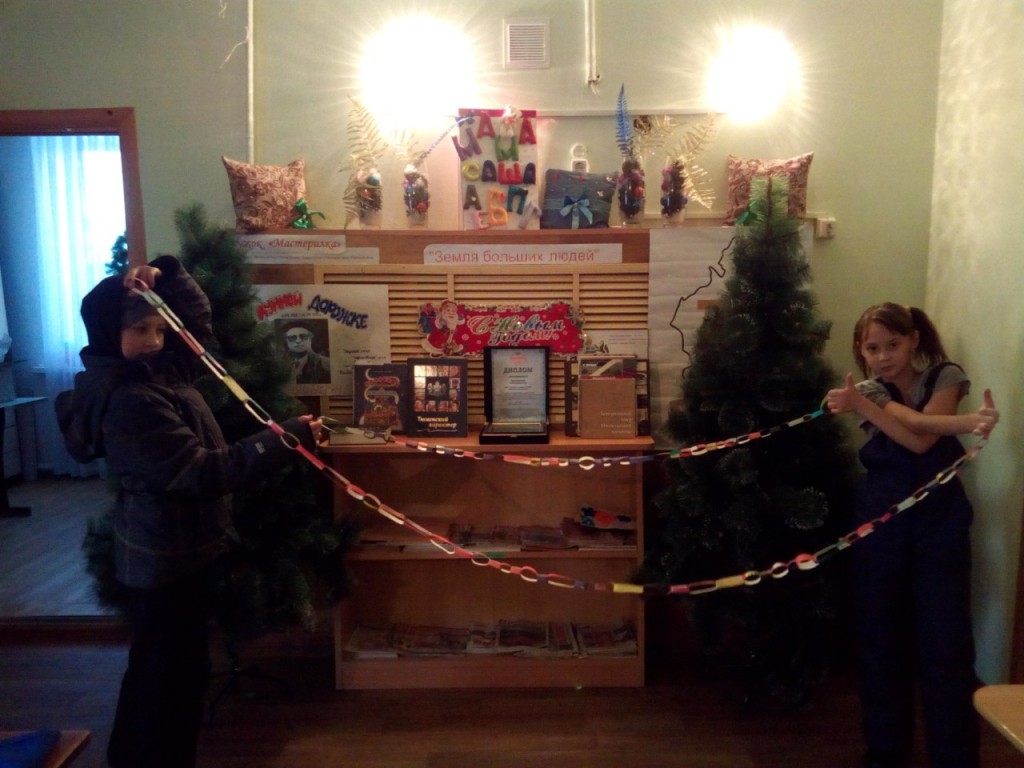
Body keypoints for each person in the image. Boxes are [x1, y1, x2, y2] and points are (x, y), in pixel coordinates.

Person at [57, 255, 323, 768]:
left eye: (160, 329)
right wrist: (283, 440)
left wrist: (168, 275)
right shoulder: (131, 400)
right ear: (108, 332)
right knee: (168, 682)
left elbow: (195, 328)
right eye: (140, 329)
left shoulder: (159, 373)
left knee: (162, 672)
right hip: (163, 561)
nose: (155, 341)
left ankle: (134, 757)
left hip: (178, 554)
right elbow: (199, 473)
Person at [825, 302, 998, 768]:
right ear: (861, 351)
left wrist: (966, 421)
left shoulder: (946, 376)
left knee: (946, 641)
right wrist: (968, 424)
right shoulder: (866, 390)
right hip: (879, 520)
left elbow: (922, 437)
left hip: (940, 522)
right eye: (872, 349)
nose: (883, 357)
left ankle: (955, 757)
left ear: (914, 340)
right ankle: (885, 750)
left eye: (893, 344)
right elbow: (911, 435)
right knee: (880, 637)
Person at [280, 319, 332, 384]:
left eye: (303, 336)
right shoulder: (281, 365)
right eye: (292, 337)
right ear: (287, 341)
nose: (298, 341)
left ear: (310, 339)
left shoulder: (326, 364)